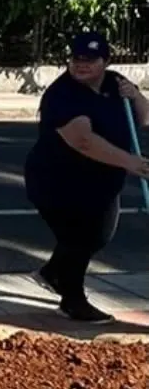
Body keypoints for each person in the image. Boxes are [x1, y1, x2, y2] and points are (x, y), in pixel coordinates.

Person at [24, 32, 149, 323]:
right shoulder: (62, 94)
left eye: (90, 60)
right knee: (78, 236)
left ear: (105, 61)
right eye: (76, 59)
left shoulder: (115, 83)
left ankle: (52, 273)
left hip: (102, 181)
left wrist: (136, 95)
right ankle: (73, 299)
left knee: (98, 235)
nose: (81, 65)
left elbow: (143, 118)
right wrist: (131, 162)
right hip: (57, 181)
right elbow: (82, 140)